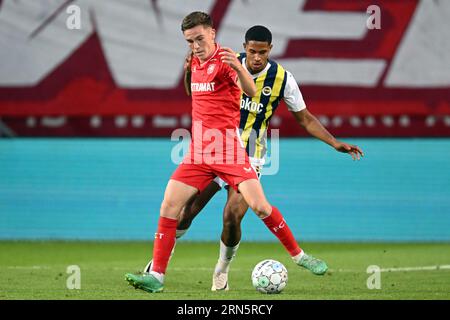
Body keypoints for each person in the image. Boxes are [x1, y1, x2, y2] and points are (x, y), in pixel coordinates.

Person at [142, 25, 364, 291]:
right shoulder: (226, 64)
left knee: (232, 214)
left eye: (262, 52)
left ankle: (221, 271)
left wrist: (333, 142)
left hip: (249, 155)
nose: (257, 57)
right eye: (251, 51)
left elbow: (305, 118)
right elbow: (199, 91)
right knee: (187, 210)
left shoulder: (282, 79)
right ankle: (157, 264)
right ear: (244, 48)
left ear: (270, 50)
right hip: (214, 148)